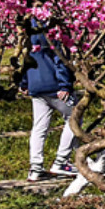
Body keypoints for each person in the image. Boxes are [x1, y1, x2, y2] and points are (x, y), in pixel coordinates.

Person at [19, 19, 77, 183]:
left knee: (39, 127)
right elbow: (60, 61)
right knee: (74, 118)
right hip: (54, 86)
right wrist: (65, 85)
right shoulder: (53, 32)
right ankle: (61, 161)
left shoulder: (29, 34)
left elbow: (26, 62)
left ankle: (35, 168)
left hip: (36, 87)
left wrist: (24, 83)